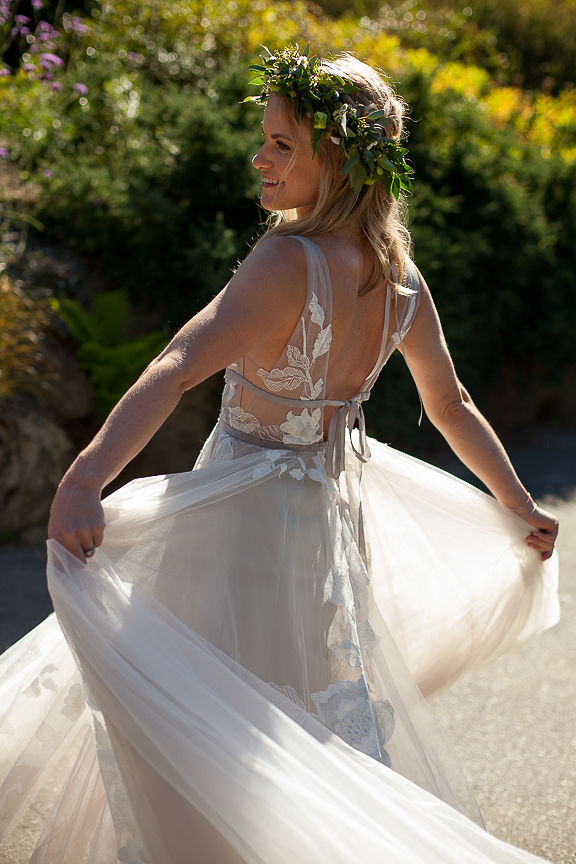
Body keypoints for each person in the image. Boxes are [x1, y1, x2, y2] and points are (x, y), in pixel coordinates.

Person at [0, 46, 561, 863]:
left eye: (282, 145)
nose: (259, 158)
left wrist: (85, 475)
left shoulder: (286, 258)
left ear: (335, 158)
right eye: (263, 139)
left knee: (207, 721)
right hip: (324, 537)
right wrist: (517, 502)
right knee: (288, 717)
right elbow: (452, 405)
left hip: (233, 526)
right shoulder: (401, 280)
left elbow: (177, 364)